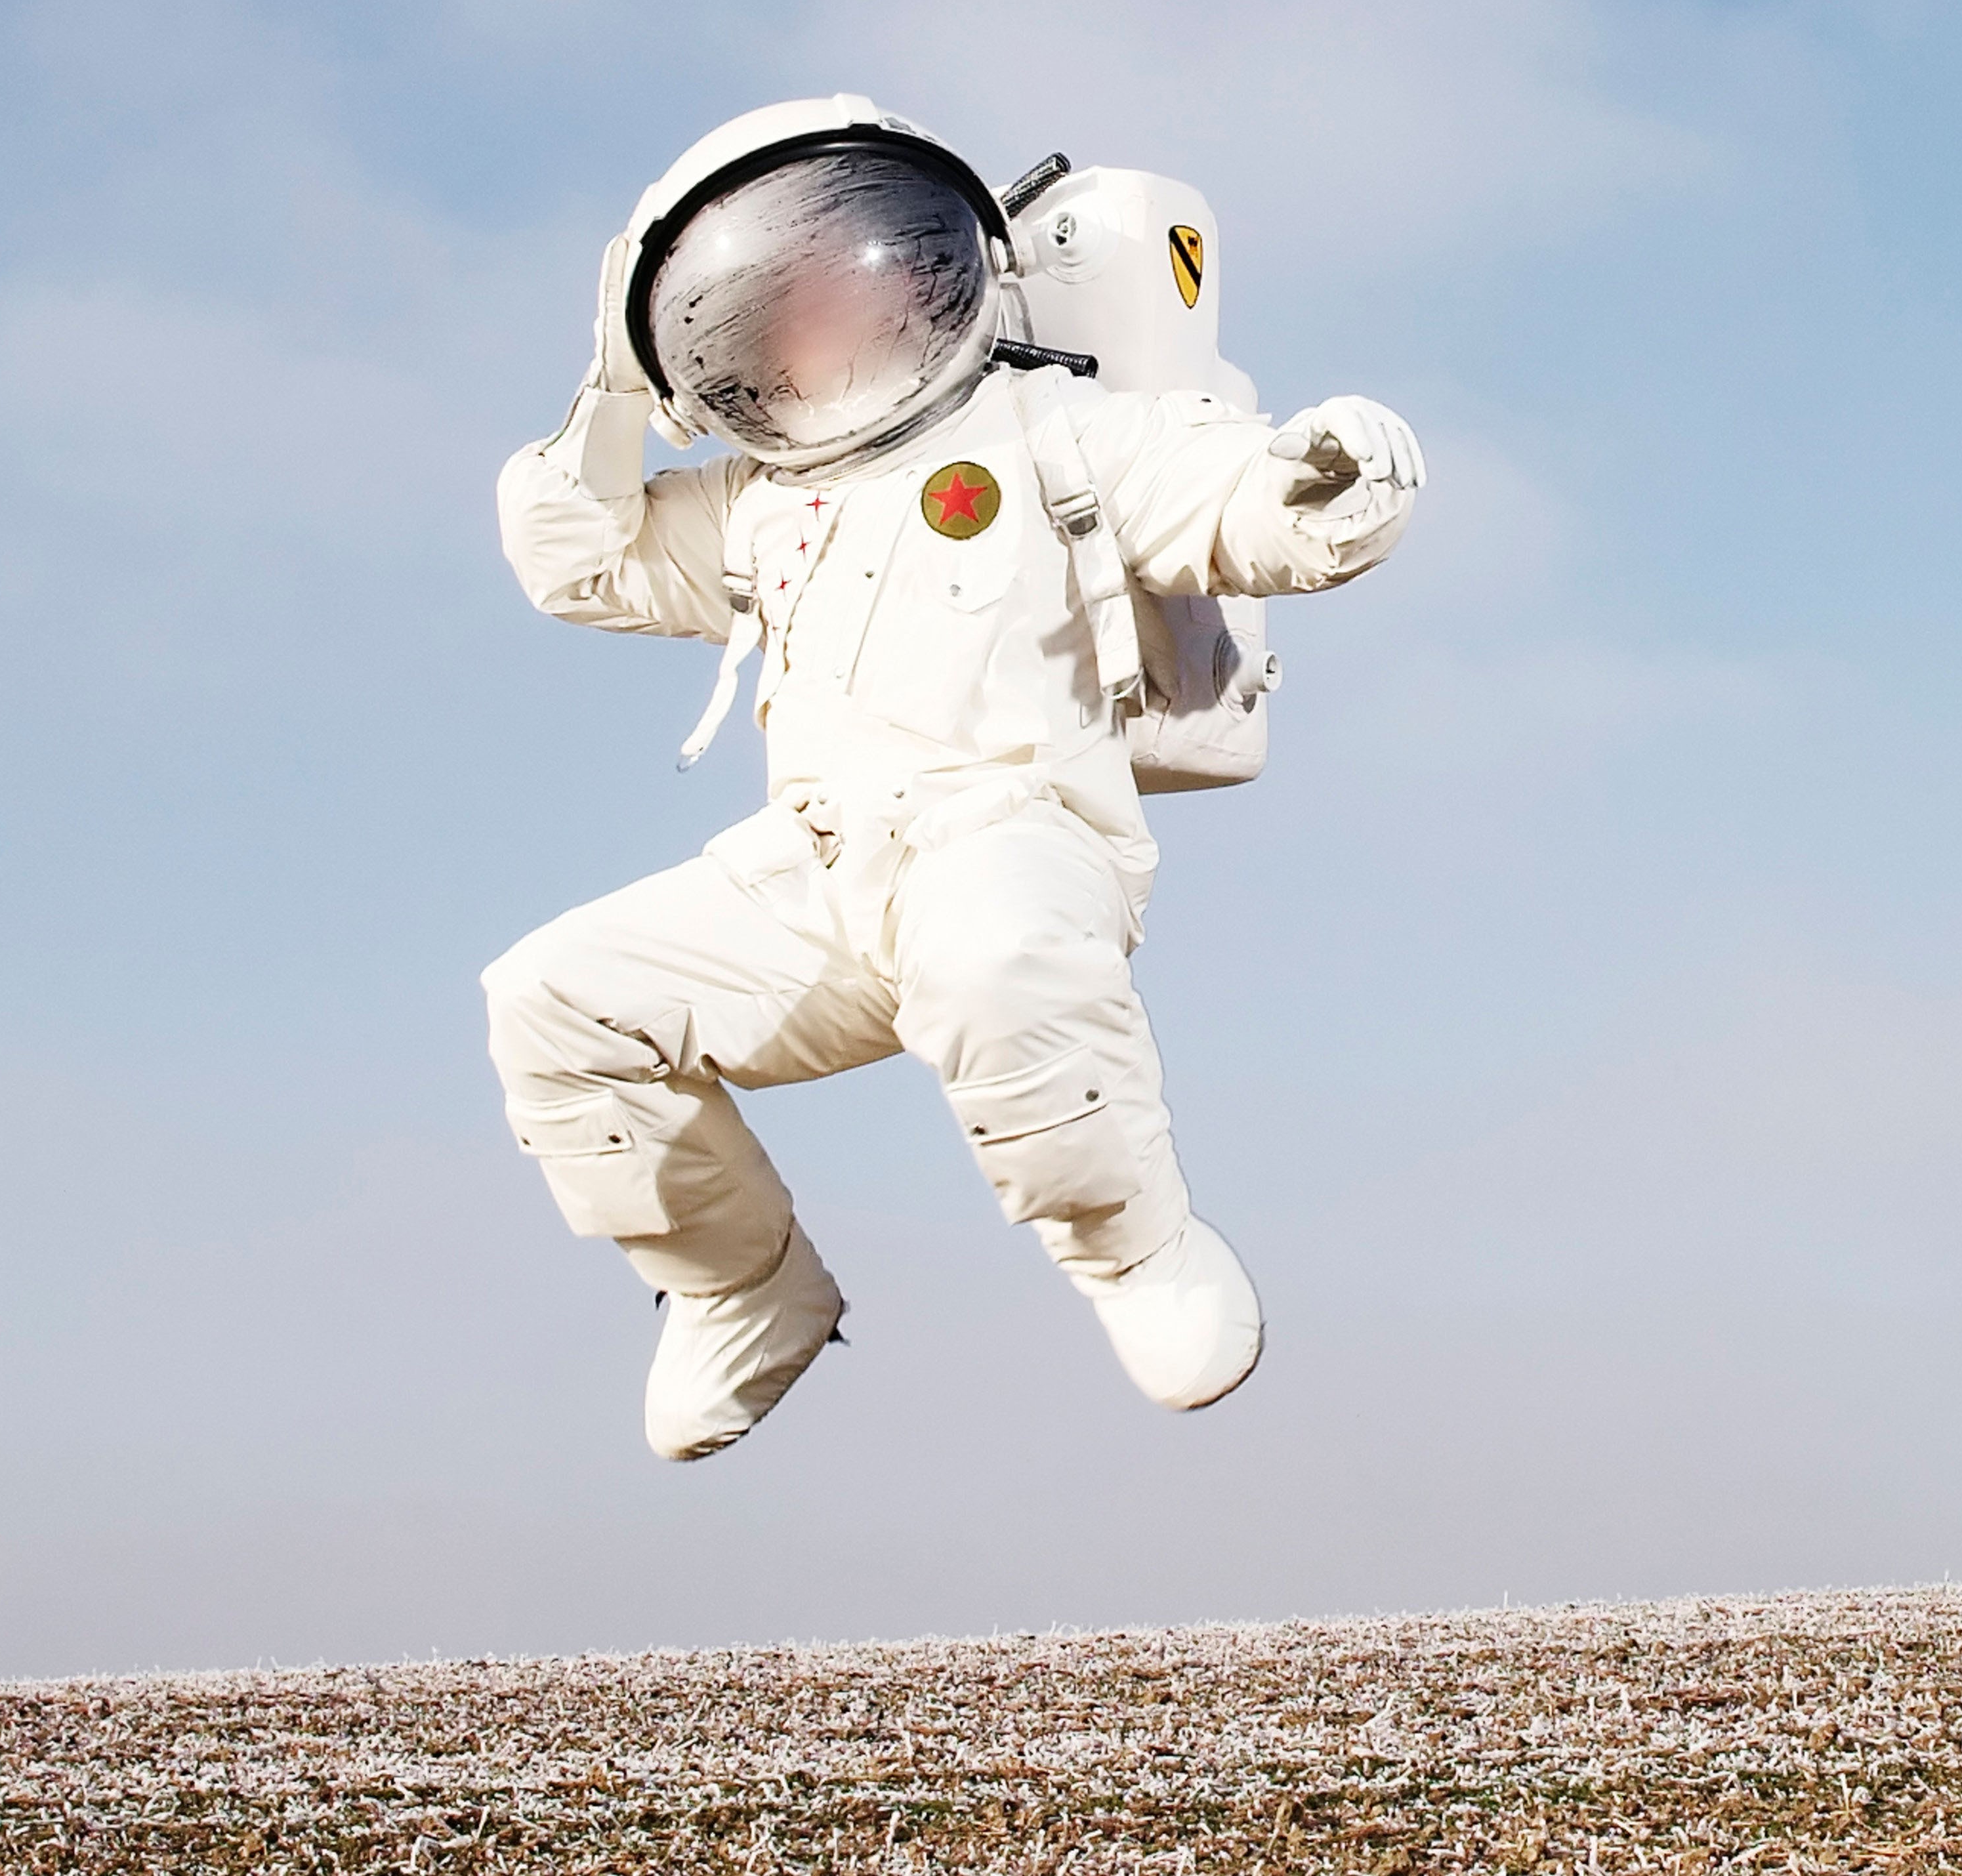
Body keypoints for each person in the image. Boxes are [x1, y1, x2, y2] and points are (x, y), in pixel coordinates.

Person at [479, 96, 1422, 1460]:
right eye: (773, 301)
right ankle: (741, 1288)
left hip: (1011, 828)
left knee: (997, 962)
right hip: (816, 876)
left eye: (846, 268)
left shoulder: (1050, 430)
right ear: (723, 343)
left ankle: (1138, 1250)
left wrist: (1333, 482)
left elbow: (1229, 498)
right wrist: (615, 377)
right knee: (554, 1003)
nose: (828, 316)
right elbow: (575, 556)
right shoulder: (756, 505)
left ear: (935, 255)